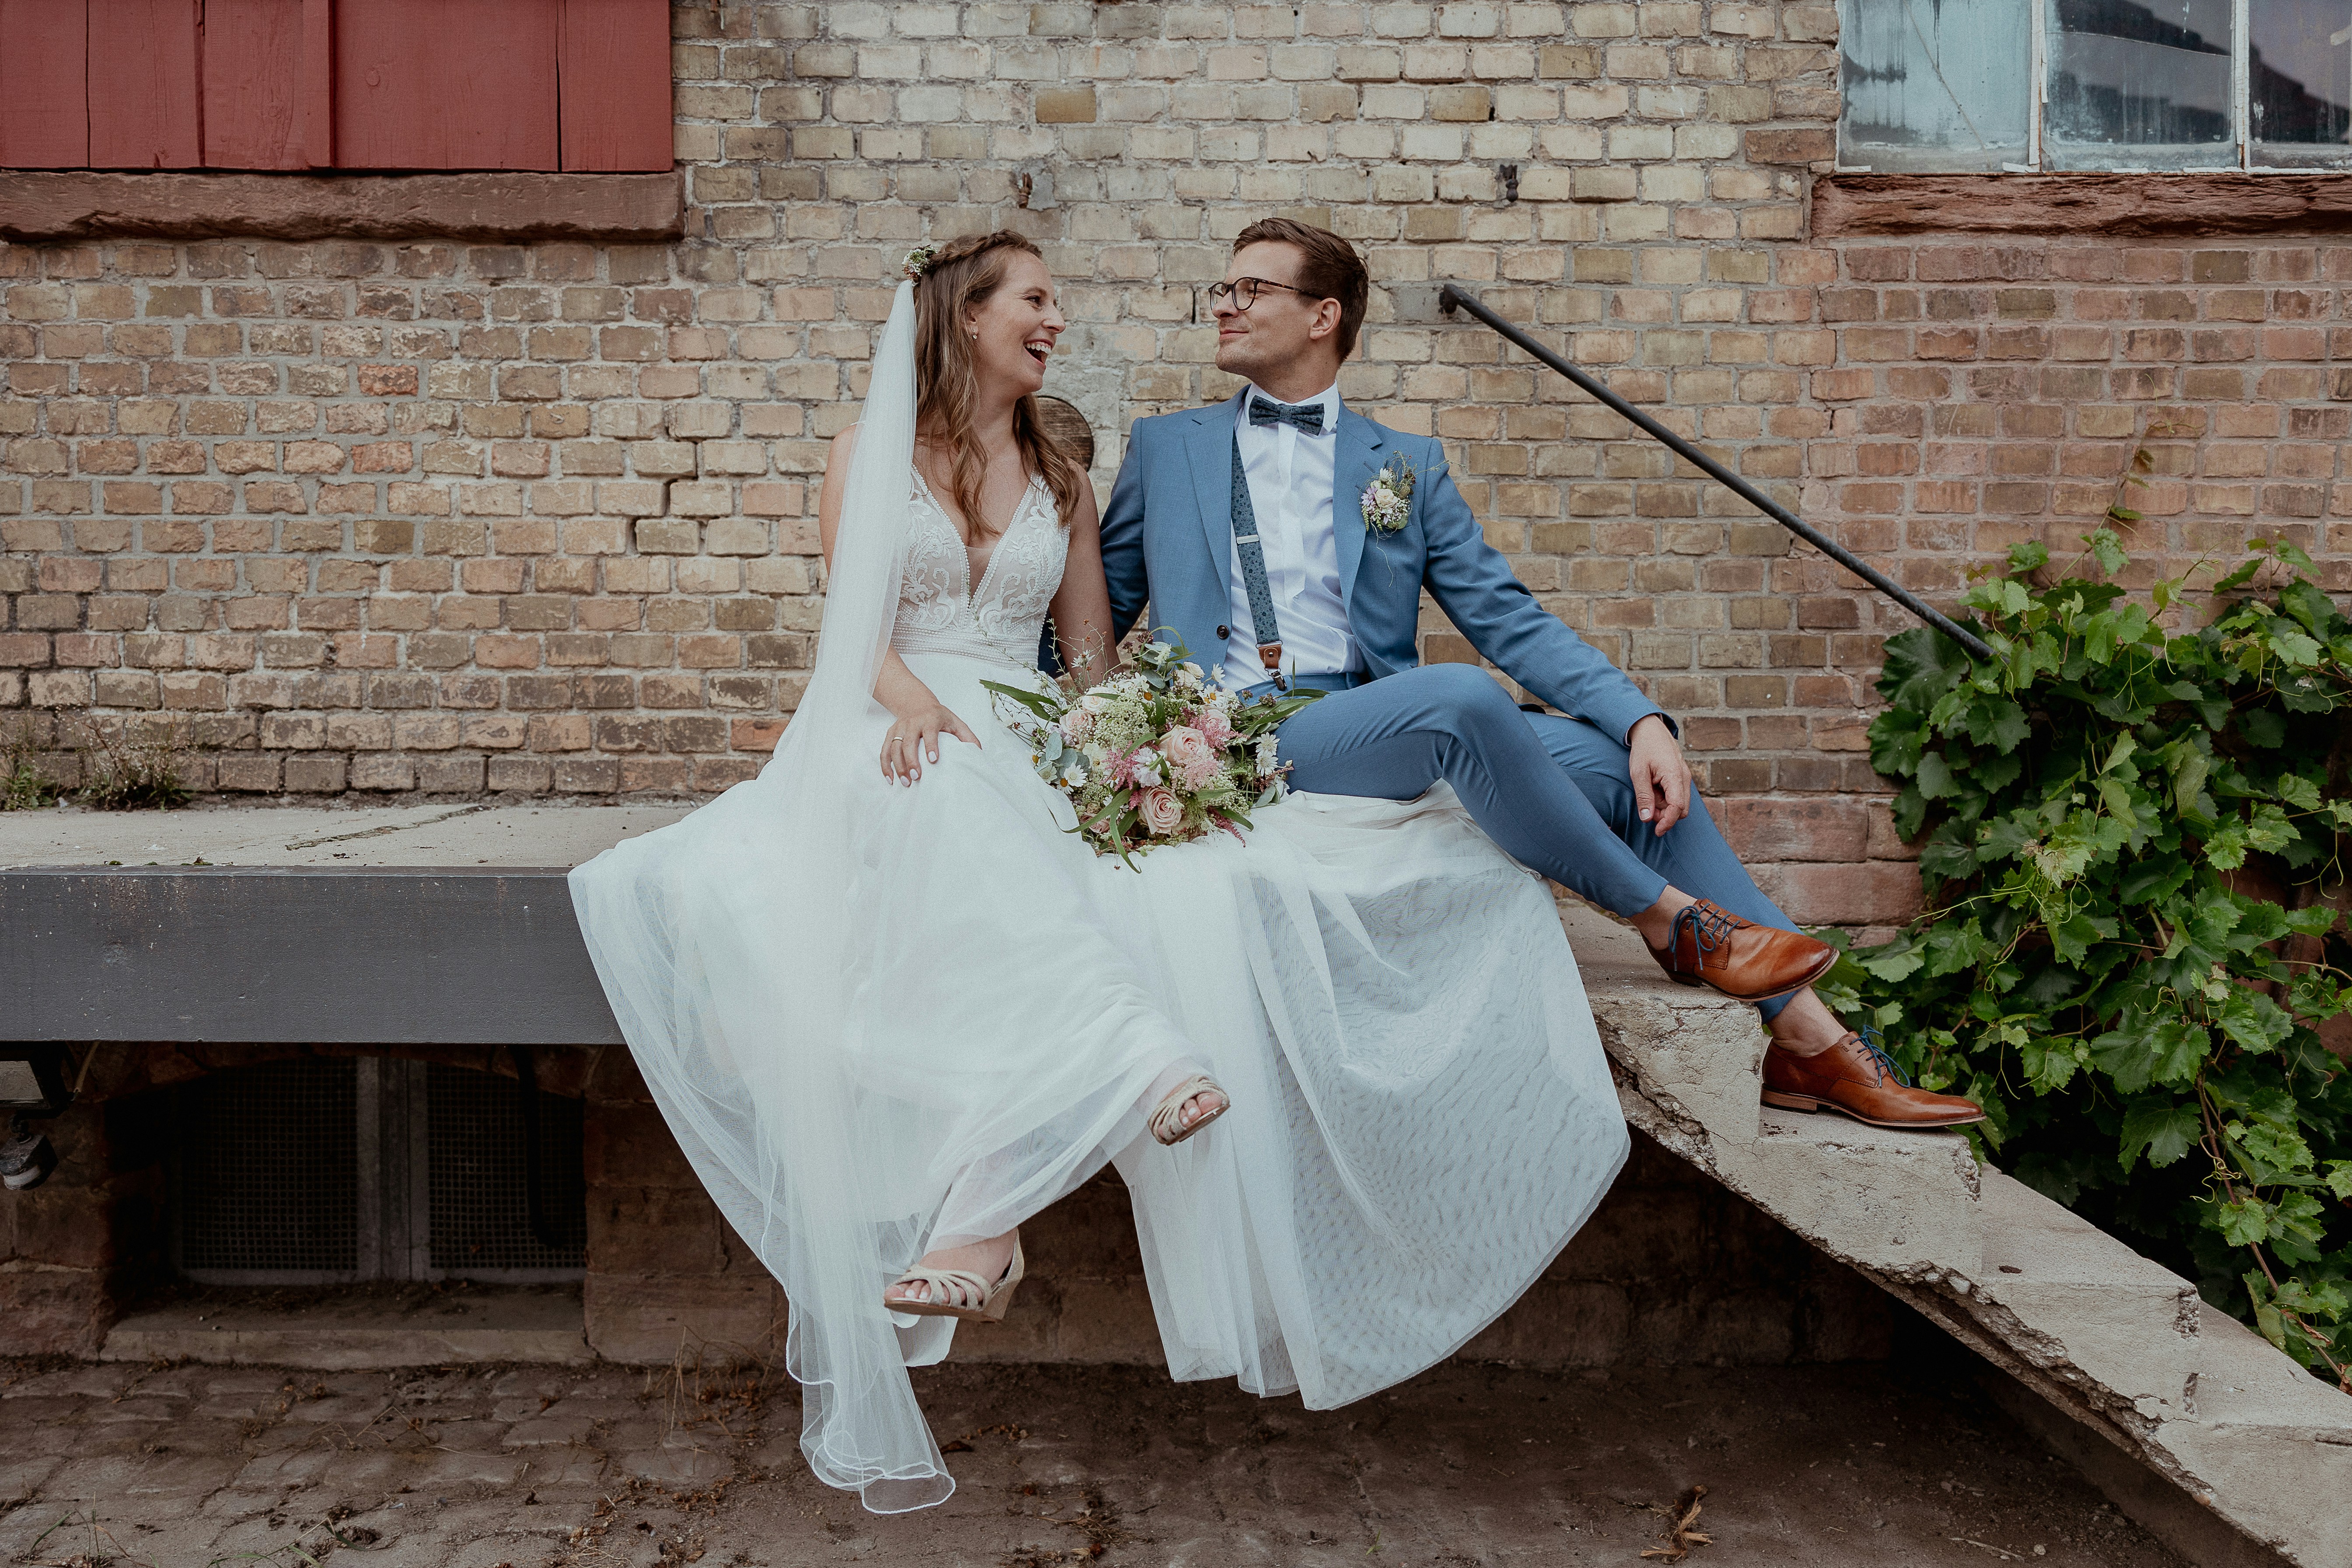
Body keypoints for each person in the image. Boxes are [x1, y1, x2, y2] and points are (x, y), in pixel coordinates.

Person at [568, 233, 1630, 1514]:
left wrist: (1148, 750)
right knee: (943, 808)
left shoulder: (1063, 475)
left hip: (1022, 729)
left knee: (1122, 872)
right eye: (1035, 300)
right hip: (886, 715)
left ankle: (988, 1210)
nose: (1056, 320)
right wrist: (913, 712)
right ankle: (1130, 1072)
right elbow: (851, 635)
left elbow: (1086, 659)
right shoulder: (869, 456)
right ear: (967, 320)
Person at [1095, 218, 1986, 1133]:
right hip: (1250, 731)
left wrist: (1641, 720)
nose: (1224, 305)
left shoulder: (1403, 463)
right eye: (1224, 288)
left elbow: (1505, 615)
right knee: (1461, 696)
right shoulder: (1168, 448)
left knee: (1620, 769)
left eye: (1251, 289)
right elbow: (1100, 606)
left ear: (1324, 315)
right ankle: (1667, 920)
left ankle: (1811, 1042)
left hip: (1376, 714)